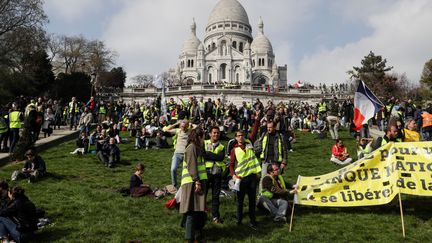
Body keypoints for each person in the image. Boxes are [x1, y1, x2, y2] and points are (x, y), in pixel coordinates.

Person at [179, 128, 207, 243]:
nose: (204, 140)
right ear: (199, 137)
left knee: (197, 210)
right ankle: (189, 238)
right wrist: (197, 181)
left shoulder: (197, 148)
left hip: (196, 182)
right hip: (192, 183)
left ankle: (195, 234)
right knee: (191, 211)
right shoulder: (191, 148)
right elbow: (192, 166)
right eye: (203, 137)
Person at [230, 130, 261, 230]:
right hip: (241, 179)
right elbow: (231, 165)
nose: (241, 137)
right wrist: (233, 175)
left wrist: (256, 120)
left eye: (242, 135)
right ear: (236, 138)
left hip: (252, 177)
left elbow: (254, 133)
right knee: (240, 201)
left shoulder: (249, 145)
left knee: (252, 201)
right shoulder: (234, 150)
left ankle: (253, 221)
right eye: (238, 136)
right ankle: (238, 221)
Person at [203, 126, 225, 224]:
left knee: (215, 196)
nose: (216, 134)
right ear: (210, 134)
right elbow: (204, 155)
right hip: (206, 172)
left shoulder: (222, 146)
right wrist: (214, 156)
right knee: (203, 194)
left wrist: (210, 155)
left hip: (217, 173)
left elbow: (220, 158)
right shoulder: (205, 143)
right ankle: (201, 214)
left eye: (217, 133)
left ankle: (215, 216)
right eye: (214, 132)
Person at [164, 119, 193, 188]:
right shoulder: (178, 130)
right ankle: (174, 185)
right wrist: (176, 124)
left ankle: (187, 185)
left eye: (185, 126)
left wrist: (191, 124)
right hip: (177, 154)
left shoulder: (190, 131)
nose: (183, 128)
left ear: (187, 126)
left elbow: (198, 128)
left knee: (187, 171)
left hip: (187, 154)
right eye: (182, 126)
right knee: (173, 169)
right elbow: (166, 130)